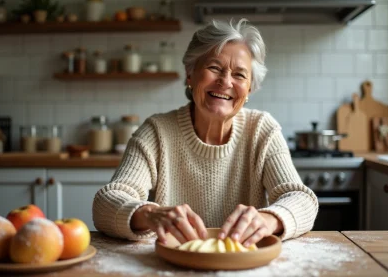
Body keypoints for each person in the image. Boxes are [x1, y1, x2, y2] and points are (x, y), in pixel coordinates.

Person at [93, 18, 318, 247]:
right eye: (214, 68)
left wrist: (268, 220)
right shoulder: (157, 132)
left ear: (249, 88)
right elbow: (105, 203)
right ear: (190, 75)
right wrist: (150, 214)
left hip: (243, 262)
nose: (225, 82)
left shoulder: (262, 130)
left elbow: (302, 200)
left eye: (239, 75)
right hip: (174, 262)